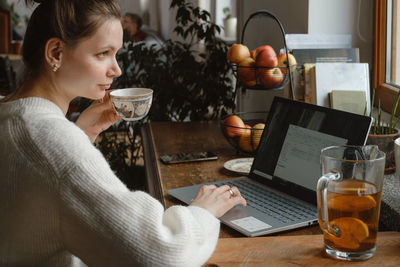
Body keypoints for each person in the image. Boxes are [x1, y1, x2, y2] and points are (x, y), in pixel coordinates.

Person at [0, 0, 246, 266]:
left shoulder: (12, 116)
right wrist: (203, 212)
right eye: (103, 53)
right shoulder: (55, 144)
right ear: (56, 52)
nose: (116, 69)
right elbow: (163, 255)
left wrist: (82, 133)